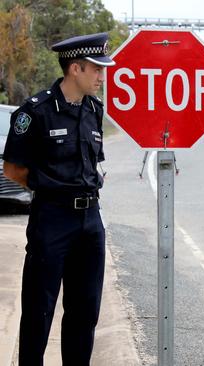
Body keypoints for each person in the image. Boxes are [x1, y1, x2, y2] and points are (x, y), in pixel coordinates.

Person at [2, 32, 115, 365]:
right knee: (39, 310)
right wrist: (51, 188)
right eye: (96, 69)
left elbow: (93, 161)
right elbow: (12, 169)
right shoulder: (35, 111)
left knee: (85, 312)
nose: (102, 76)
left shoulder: (94, 110)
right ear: (75, 69)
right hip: (52, 220)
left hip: (91, 222)